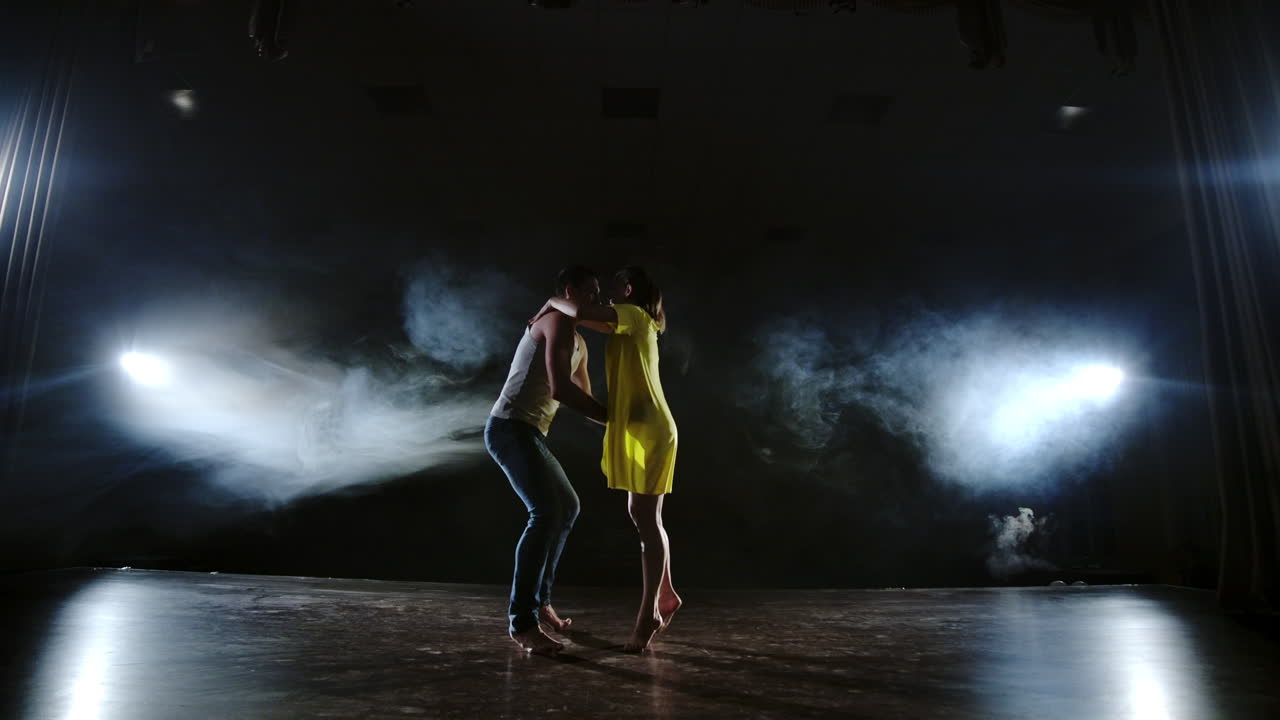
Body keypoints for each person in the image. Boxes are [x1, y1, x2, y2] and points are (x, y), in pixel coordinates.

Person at [531, 266, 681, 653]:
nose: (606, 296)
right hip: (640, 427)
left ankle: (648, 615)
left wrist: (550, 300)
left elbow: (577, 311)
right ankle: (666, 594)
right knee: (644, 516)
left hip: (650, 429)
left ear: (628, 290)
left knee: (647, 521)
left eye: (613, 288)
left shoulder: (634, 315)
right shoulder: (630, 322)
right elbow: (581, 318)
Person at [486, 266, 607, 655]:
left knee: (567, 506)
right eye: (591, 293)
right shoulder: (555, 322)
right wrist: (615, 418)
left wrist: (622, 420)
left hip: (531, 433)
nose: (598, 301)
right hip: (509, 428)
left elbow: (586, 399)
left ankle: (540, 603)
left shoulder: (580, 342)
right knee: (545, 512)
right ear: (570, 292)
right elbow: (560, 389)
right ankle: (522, 623)